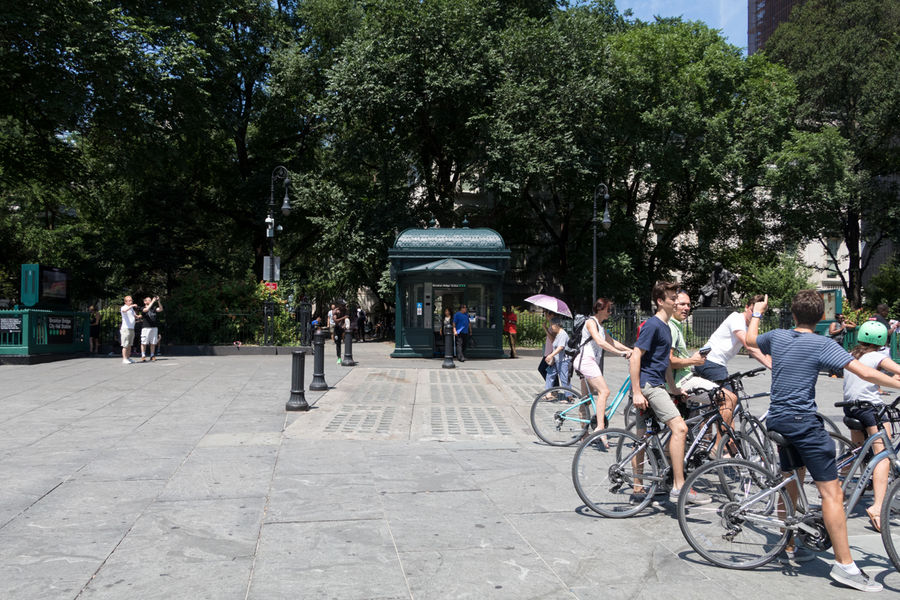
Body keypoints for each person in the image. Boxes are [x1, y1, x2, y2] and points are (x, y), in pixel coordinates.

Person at [746, 290, 900, 590]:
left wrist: (758, 312)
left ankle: (788, 545)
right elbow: (866, 373)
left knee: (791, 480)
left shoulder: (777, 336)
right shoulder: (822, 343)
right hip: (803, 423)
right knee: (832, 495)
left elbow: (751, 340)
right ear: (821, 318)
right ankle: (845, 566)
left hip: (778, 419)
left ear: (793, 314)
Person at [629, 281, 706, 505]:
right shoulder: (653, 325)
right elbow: (635, 356)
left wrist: (673, 389)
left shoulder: (665, 327)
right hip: (649, 386)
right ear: (660, 301)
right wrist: (636, 391)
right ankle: (679, 487)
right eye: (673, 299)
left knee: (642, 437)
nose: (676, 302)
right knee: (680, 428)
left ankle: (638, 489)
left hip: (656, 385)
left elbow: (664, 365)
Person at [841, 321, 900, 533]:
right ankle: (878, 507)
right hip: (870, 410)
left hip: (850, 408)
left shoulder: (852, 355)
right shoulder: (877, 356)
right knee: (883, 455)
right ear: (882, 340)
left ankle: (839, 487)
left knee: (858, 453)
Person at [695, 295, 772, 425]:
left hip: (713, 363)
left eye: (759, 313)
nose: (755, 315)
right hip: (711, 361)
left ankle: (704, 434)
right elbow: (750, 347)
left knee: (716, 404)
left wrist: (774, 361)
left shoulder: (749, 327)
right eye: (753, 311)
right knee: (729, 401)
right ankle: (726, 438)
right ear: (746, 307)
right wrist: (772, 366)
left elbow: (760, 347)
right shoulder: (736, 318)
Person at [574, 298, 633, 431]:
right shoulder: (591, 322)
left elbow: (612, 342)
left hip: (590, 363)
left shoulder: (600, 326)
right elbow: (600, 342)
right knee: (604, 392)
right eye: (608, 310)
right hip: (586, 361)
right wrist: (621, 354)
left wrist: (630, 350)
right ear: (600, 309)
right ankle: (600, 427)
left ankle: (584, 434)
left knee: (586, 400)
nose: (610, 313)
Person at [669, 291, 716, 394]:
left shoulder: (677, 326)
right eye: (682, 304)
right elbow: (669, 361)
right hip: (679, 381)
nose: (686, 308)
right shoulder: (671, 328)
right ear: (672, 306)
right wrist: (693, 361)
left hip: (683, 377)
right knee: (726, 397)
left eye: (688, 305)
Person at [544, 318, 570, 390]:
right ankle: (548, 393)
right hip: (556, 360)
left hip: (563, 361)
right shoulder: (558, 334)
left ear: (556, 325)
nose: (551, 327)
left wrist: (551, 355)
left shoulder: (563, 334)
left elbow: (561, 347)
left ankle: (569, 395)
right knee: (550, 375)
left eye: (551, 325)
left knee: (564, 379)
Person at [140, 296, 163, 361]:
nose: (150, 301)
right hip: (146, 327)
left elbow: (161, 309)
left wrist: (158, 301)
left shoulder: (154, 308)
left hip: (154, 327)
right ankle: (143, 356)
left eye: (150, 300)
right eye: (149, 300)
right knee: (144, 342)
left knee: (153, 342)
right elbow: (146, 310)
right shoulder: (142, 308)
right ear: (145, 302)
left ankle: (152, 355)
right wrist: (153, 301)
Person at [119, 296, 138, 364]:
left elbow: (135, 316)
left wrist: (141, 316)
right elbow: (124, 311)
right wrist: (131, 306)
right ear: (125, 302)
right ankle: (124, 359)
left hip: (131, 328)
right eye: (129, 301)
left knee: (130, 345)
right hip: (125, 329)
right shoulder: (123, 307)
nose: (131, 302)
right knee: (125, 345)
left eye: (131, 300)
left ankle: (128, 358)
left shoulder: (131, 309)